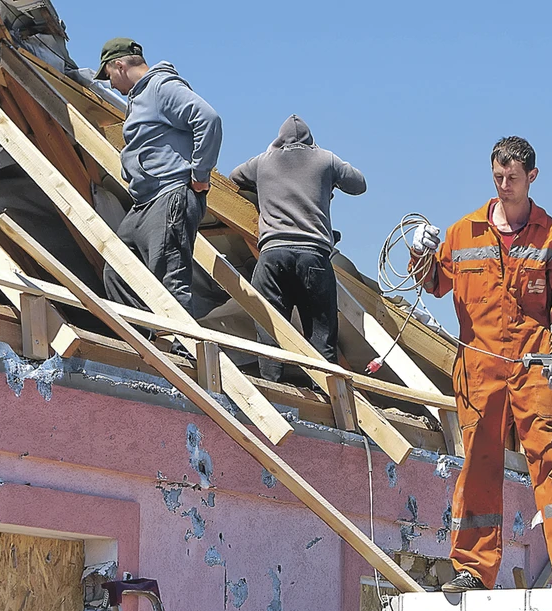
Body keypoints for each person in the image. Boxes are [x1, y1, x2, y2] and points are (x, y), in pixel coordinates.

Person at [411, 136, 552, 591]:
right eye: (498, 177)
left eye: (513, 177)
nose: (504, 185)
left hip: (534, 364)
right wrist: (420, 254)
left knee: (551, 459)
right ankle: (473, 569)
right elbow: (433, 282)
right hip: (479, 369)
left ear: (532, 177)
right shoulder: (463, 233)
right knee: (478, 464)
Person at [94, 38, 222, 321]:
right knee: (117, 269)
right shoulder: (139, 99)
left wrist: (200, 176)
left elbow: (208, 119)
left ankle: (183, 352)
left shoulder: (160, 87)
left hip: (169, 194)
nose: (110, 84)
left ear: (120, 65)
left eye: (109, 76)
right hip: (144, 203)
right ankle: (145, 342)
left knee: (170, 280)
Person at [230, 115, 366, 376]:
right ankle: (326, 392)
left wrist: (270, 158)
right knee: (321, 333)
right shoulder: (325, 159)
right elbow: (359, 184)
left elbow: (236, 176)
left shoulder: (263, 161)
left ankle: (273, 390)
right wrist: (329, 177)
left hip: (272, 256)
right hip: (312, 256)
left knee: (270, 329)